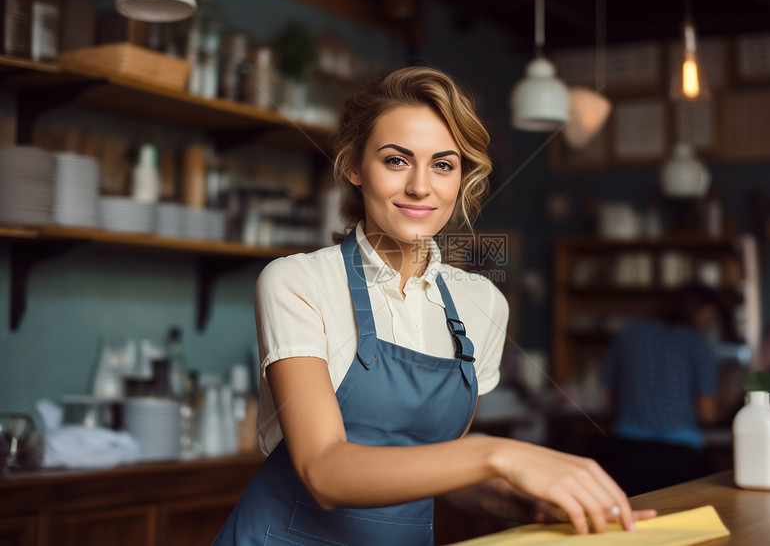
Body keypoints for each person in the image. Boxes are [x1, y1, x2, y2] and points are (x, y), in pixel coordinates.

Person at [213, 66, 654, 545]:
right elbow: (324, 471)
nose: (421, 187)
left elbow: (440, 469)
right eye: (396, 161)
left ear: (461, 178)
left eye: (443, 164)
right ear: (355, 168)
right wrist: (502, 455)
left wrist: (532, 502)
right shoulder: (298, 282)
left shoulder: (481, 303)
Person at [598, 284, 725, 495]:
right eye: (708, 317)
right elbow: (708, 413)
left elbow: (606, 398)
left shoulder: (629, 333)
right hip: (681, 455)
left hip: (629, 450)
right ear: (696, 311)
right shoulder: (697, 343)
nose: (708, 325)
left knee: (634, 514)